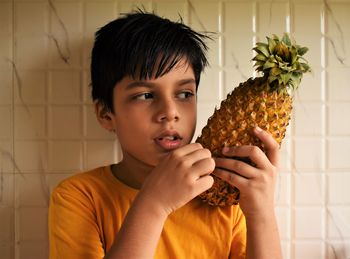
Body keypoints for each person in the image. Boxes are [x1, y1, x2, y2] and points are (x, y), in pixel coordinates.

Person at [48, 10, 282, 259]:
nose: (170, 113)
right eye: (145, 95)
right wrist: (154, 205)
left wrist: (261, 213)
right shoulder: (79, 197)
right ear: (106, 114)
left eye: (184, 94)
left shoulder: (224, 198)